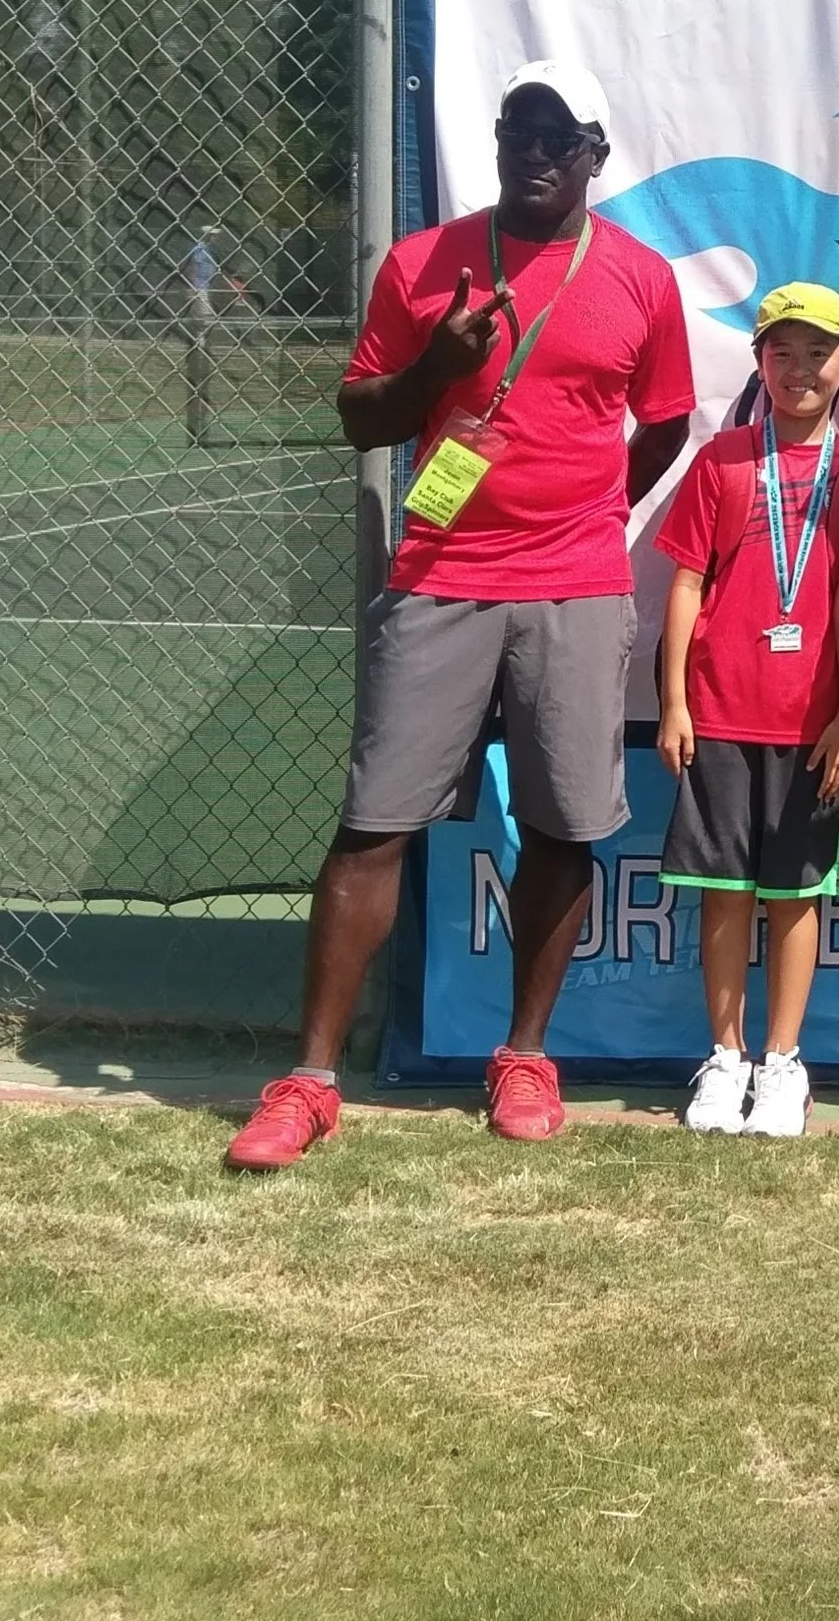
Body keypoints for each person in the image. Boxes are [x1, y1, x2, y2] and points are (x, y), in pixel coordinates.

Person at [225, 61, 695, 1168]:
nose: (533, 153)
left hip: (575, 581)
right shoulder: (423, 263)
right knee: (373, 821)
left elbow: (667, 420)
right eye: (516, 131)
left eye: (558, 137)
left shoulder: (640, 277)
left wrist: (596, 510)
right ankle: (309, 1081)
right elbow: (360, 417)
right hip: (440, 571)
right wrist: (435, 368)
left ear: (595, 156)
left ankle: (525, 1055)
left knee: (564, 825)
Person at [654, 283, 839, 1139]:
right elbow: (686, 582)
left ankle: (783, 1062)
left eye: (818, 352)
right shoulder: (722, 460)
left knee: (795, 895)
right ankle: (725, 1055)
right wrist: (674, 699)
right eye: (782, 351)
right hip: (718, 713)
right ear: (759, 360)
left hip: (810, 726)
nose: (799, 368)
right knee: (723, 894)